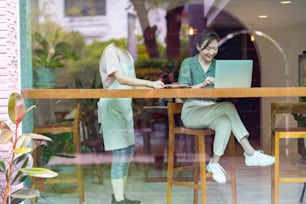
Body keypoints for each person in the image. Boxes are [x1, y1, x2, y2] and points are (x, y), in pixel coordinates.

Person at [178, 30, 275, 184]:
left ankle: (214, 163)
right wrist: (202, 85)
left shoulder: (218, 66)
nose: (212, 52)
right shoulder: (188, 63)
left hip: (212, 110)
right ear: (198, 47)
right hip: (192, 111)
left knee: (225, 122)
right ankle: (250, 153)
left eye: (215, 48)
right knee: (228, 107)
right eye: (208, 48)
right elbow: (181, 93)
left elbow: (225, 88)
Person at [97, 43, 164, 204]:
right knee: (120, 154)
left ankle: (120, 197)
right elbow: (120, 78)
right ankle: (118, 200)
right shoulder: (110, 51)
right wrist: (149, 83)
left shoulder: (127, 53)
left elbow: (131, 84)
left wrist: (154, 87)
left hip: (124, 108)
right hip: (112, 107)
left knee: (128, 152)